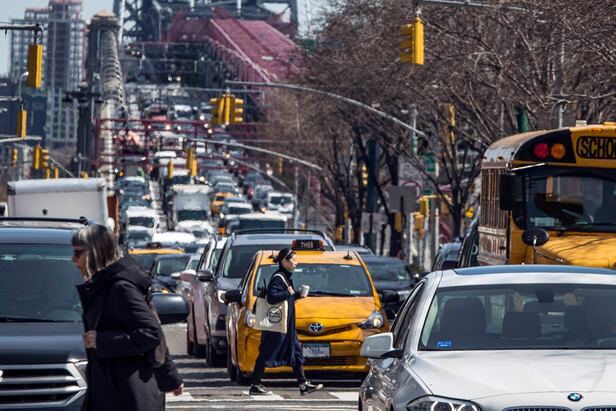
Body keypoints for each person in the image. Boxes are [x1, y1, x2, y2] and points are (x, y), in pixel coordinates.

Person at [72, 224, 183, 411]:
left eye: (78, 253)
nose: (73, 259)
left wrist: (101, 340)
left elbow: (152, 333)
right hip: (112, 391)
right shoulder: (104, 286)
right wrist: (170, 378)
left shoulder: (120, 288)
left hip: (127, 394)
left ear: (95, 253)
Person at [249, 248, 323, 396]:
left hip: (287, 326)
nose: (296, 263)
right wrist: (287, 293)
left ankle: (303, 385)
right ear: (284, 261)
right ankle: (255, 385)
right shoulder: (278, 278)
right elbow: (272, 297)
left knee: (296, 353)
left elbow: (285, 299)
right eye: (293, 260)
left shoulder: (285, 277)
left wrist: (297, 296)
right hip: (277, 326)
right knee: (266, 353)